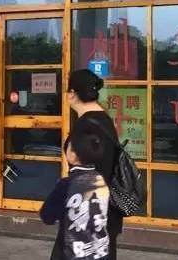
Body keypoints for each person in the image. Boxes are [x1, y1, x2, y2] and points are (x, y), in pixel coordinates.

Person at [65, 69, 123, 260]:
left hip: (85, 212)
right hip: (105, 208)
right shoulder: (104, 120)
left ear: (72, 94)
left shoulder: (85, 125)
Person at [40, 132, 110, 260]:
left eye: (69, 147)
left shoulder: (66, 184)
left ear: (73, 154)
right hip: (100, 252)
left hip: (71, 253)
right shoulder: (101, 180)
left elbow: (47, 216)